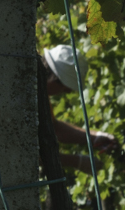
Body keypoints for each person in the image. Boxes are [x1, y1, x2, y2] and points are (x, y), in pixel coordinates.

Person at [44, 44, 118, 174]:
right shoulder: (26, 99)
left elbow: (54, 128)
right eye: (66, 88)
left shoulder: (40, 95)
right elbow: (26, 152)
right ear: (53, 78)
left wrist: (95, 137)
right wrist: (76, 161)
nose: (67, 92)